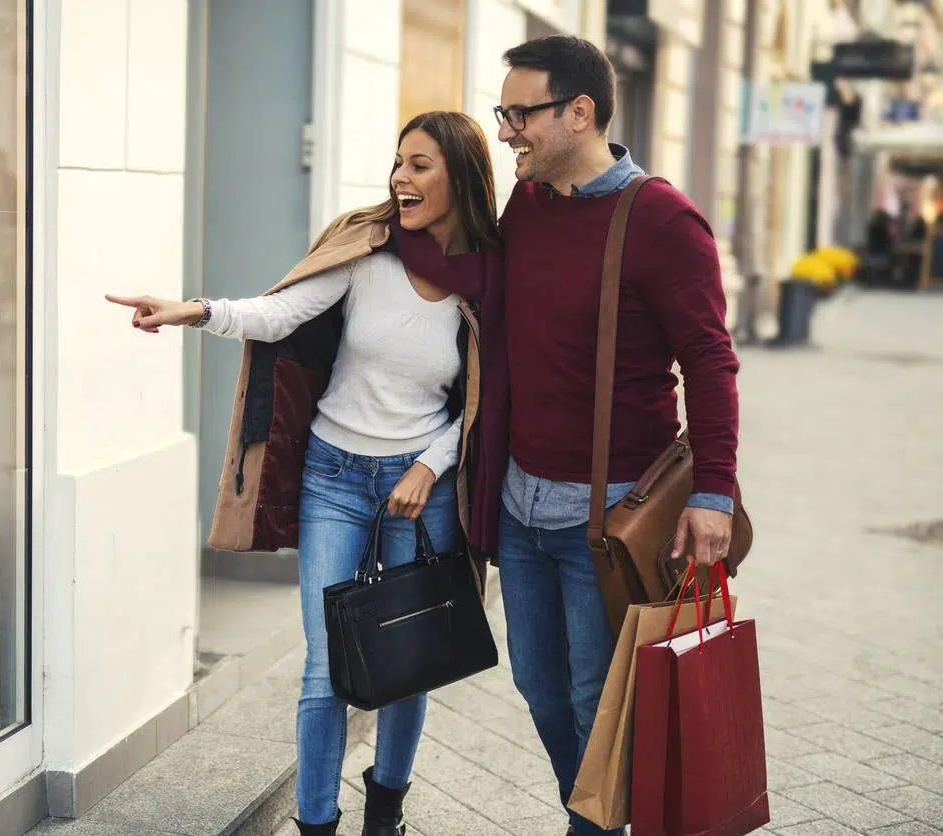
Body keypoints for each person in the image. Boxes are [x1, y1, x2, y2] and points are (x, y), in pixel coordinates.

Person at [105, 112, 504, 836]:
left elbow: (485, 398)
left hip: (422, 490)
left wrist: (429, 463)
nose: (400, 180)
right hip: (335, 478)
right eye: (398, 163)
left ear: (461, 177)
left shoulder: (487, 282)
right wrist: (191, 310)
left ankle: (386, 809)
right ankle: (316, 824)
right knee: (325, 671)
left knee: (411, 660)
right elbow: (281, 311)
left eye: (419, 166)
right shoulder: (368, 250)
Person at [468, 37, 741, 836]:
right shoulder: (530, 202)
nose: (507, 129)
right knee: (540, 690)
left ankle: (596, 826)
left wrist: (714, 493)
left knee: (597, 699)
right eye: (504, 112)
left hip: (611, 515)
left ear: (579, 113)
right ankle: (596, 813)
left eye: (521, 113)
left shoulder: (661, 218)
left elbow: (712, 362)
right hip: (520, 504)